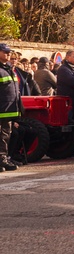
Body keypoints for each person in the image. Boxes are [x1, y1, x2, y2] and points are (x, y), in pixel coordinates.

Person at [0, 43, 22, 172]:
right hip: (2, 109)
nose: (8, 55)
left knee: (5, 135)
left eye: (9, 52)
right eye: (5, 52)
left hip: (9, 110)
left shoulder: (9, 69)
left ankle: (3, 159)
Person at [55, 50, 74, 123]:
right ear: (67, 57)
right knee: (69, 122)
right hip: (67, 102)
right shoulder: (63, 69)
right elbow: (72, 81)